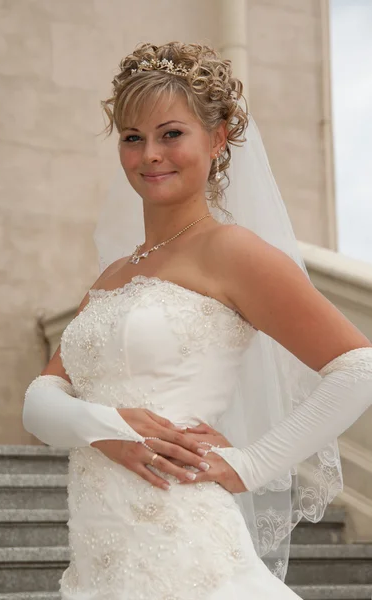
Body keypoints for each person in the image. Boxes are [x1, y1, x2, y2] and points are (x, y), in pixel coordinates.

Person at [22, 42, 372, 599]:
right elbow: (39, 402)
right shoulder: (115, 273)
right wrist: (109, 429)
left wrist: (249, 463)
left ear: (218, 136)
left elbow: (358, 368)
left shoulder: (232, 251)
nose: (149, 154)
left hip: (186, 549)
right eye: (132, 138)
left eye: (170, 134)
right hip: (98, 559)